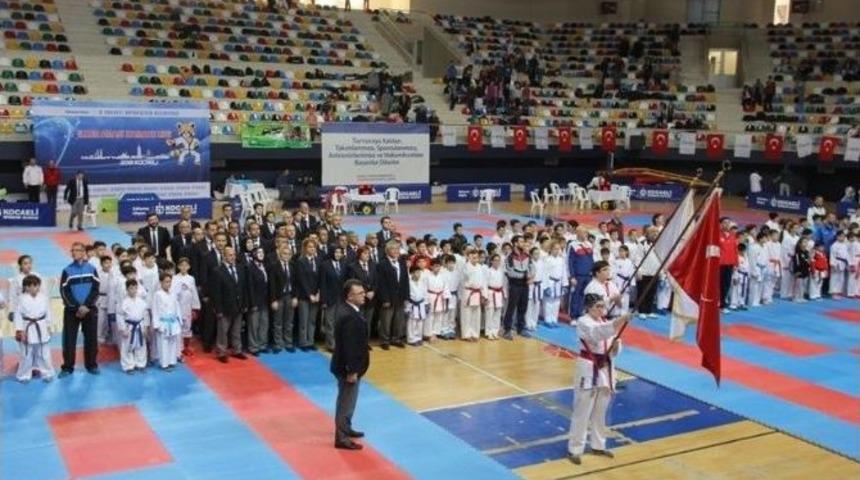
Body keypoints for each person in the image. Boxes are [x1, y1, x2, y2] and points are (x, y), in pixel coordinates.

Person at [567, 293, 630, 465]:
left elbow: (613, 347)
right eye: (598, 307)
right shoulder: (583, 322)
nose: (601, 310)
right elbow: (597, 335)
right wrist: (620, 321)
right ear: (588, 308)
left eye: (603, 306)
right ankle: (575, 448)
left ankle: (598, 444)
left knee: (601, 410)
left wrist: (616, 346)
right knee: (583, 410)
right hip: (588, 366)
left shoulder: (604, 322)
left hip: (606, 367)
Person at [331, 279, 370, 450]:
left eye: (363, 292)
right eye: (360, 293)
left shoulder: (349, 310)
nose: (364, 295)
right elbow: (349, 346)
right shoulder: (349, 316)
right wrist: (352, 370)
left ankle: (346, 428)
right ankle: (342, 437)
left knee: (347, 401)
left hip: (346, 365)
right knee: (346, 403)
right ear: (349, 296)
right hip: (348, 368)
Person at [59, 242, 101, 377]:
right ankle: (67, 367)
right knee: (69, 340)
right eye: (72, 250)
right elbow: (64, 292)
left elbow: (96, 289)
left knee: (91, 339)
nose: (74, 253)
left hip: (89, 309)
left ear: (83, 252)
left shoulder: (92, 269)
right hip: (72, 311)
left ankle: (91, 365)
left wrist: (87, 306)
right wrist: (78, 307)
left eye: (77, 250)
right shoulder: (67, 270)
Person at [210, 246, 249, 362]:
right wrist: (218, 309)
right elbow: (216, 293)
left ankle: (237, 350)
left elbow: (243, 287)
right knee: (223, 331)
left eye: (234, 255)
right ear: (224, 256)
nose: (232, 257)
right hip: (224, 306)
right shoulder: (217, 271)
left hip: (239, 304)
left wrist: (245, 303)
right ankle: (222, 352)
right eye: (230, 255)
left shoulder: (240, 268)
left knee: (237, 330)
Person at [14, 274, 55, 383]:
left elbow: (48, 312)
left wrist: (49, 326)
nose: (33, 288)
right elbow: (18, 315)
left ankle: (47, 373)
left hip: (41, 326)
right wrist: (19, 330)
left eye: (36, 286)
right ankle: (23, 375)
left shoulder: (44, 298)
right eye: (30, 286)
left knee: (44, 353)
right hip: (27, 327)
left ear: (39, 286)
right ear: (26, 287)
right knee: (26, 354)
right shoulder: (21, 299)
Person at [376, 241, 409, 349]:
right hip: (388, 297)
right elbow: (381, 283)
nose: (396, 251)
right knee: (386, 320)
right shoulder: (382, 264)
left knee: (399, 320)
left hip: (400, 297)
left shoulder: (401, 263)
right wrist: (385, 299)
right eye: (393, 249)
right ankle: (384, 340)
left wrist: (406, 297)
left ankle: (396, 338)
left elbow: (405, 281)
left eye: (397, 249)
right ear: (387, 251)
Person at [151, 272, 182, 370]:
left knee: (172, 342)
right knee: (163, 344)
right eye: (166, 282)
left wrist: (179, 320)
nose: (168, 284)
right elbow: (155, 310)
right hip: (163, 322)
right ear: (161, 282)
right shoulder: (157, 294)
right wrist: (157, 324)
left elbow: (177, 307)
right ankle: (164, 364)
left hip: (173, 321)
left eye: (170, 282)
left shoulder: (172, 293)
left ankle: (172, 361)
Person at [295, 239, 321, 351]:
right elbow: (301, 280)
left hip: (316, 296)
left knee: (312, 320)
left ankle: (310, 341)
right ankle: (303, 342)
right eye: (310, 247)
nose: (312, 249)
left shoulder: (318, 261)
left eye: (314, 247)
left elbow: (321, 279)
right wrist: (309, 294)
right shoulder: (300, 261)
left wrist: (319, 293)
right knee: (304, 321)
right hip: (304, 296)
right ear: (305, 248)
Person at [171, 257, 200, 357]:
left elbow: (194, 293)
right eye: (181, 265)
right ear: (178, 266)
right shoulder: (174, 278)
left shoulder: (191, 278)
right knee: (178, 328)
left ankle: (186, 347)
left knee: (187, 327)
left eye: (186, 265)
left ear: (189, 267)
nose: (184, 267)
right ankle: (178, 348)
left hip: (188, 306)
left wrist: (195, 308)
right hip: (178, 307)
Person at [118, 279, 148, 373]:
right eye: (131, 288)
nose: (133, 290)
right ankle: (128, 366)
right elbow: (119, 316)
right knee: (127, 347)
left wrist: (146, 327)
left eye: (135, 288)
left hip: (140, 325)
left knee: (141, 345)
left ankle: (141, 364)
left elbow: (145, 315)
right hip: (129, 327)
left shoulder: (142, 302)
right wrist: (123, 329)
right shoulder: (123, 302)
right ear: (127, 289)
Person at [321, 247, 348, 351]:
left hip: (341, 298)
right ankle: (331, 344)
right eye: (336, 252)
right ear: (332, 252)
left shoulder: (344, 264)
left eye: (340, 252)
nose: (338, 254)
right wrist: (323, 300)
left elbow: (346, 282)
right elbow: (322, 284)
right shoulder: (325, 265)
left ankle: (339, 343)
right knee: (329, 322)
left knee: (339, 322)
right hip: (329, 298)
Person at [483, 253, 506, 339]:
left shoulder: (501, 271)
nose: (497, 262)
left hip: (499, 293)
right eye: (495, 260)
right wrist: (485, 296)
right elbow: (484, 284)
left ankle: (495, 331)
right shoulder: (488, 271)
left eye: (498, 260)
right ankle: (489, 332)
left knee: (498, 313)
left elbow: (503, 284)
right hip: (490, 293)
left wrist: (504, 294)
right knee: (490, 313)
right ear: (491, 261)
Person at [718, 217, 738, 313]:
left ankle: (723, 304)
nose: (727, 225)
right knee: (718, 284)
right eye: (725, 223)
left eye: (728, 223)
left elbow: (735, 251)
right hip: (719, 264)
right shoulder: (716, 235)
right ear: (721, 224)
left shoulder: (732, 236)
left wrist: (735, 264)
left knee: (726, 285)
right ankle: (716, 303)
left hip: (729, 265)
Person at [406, 265, 428, 346]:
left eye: (419, 272)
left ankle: (418, 337)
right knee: (412, 322)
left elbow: (425, 294)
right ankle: (411, 339)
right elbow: (407, 296)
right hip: (412, 304)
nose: (419, 274)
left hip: (421, 304)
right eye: (417, 272)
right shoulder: (408, 283)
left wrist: (426, 304)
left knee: (420, 322)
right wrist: (407, 307)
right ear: (411, 273)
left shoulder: (422, 282)